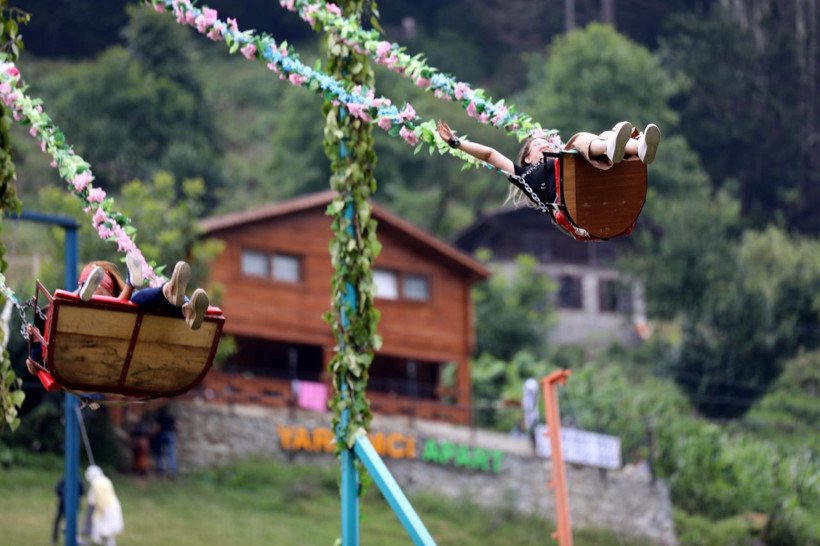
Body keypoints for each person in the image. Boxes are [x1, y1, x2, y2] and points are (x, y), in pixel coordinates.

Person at [436, 120, 661, 212]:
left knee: (604, 136)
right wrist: (456, 143)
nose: (544, 145)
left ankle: (640, 148)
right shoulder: (525, 175)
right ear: (526, 158)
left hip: (598, 187)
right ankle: (614, 145)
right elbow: (490, 154)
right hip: (575, 206)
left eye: (546, 143)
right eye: (537, 145)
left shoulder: (568, 161)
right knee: (578, 141)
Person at [80, 465, 123, 546]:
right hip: (114, 506)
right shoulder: (106, 480)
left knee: (103, 528)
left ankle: (102, 542)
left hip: (105, 508)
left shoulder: (96, 483)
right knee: (108, 529)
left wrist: (99, 507)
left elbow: (93, 499)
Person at [52, 475, 85, 545]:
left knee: (69, 522)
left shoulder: (66, 480)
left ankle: (73, 538)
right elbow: (81, 495)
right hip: (65, 505)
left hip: (67, 504)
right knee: (69, 522)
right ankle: (55, 539)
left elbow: (81, 494)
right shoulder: (75, 480)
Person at [153, 405, 178, 478]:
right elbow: (177, 426)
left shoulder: (159, 417)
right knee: (170, 454)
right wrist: (175, 432)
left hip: (161, 435)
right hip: (170, 434)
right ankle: (171, 471)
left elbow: (157, 428)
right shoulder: (170, 417)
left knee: (159, 453)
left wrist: (154, 435)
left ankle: (160, 470)